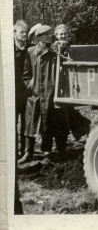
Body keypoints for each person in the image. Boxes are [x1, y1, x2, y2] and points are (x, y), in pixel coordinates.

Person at [20, 24, 69, 163]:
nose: (50, 36)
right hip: (36, 94)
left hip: (52, 93)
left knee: (57, 122)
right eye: (47, 34)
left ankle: (58, 151)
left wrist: (63, 52)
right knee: (31, 124)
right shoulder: (31, 51)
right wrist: (30, 85)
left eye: (50, 34)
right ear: (39, 37)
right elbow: (26, 74)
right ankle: (28, 153)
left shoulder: (55, 51)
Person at [13, 20, 29, 157]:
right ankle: (13, 152)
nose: (24, 35)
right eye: (21, 32)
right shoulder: (9, 50)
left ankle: (24, 151)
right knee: (12, 125)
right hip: (12, 93)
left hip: (26, 93)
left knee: (25, 123)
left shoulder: (29, 49)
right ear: (14, 33)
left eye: (26, 32)